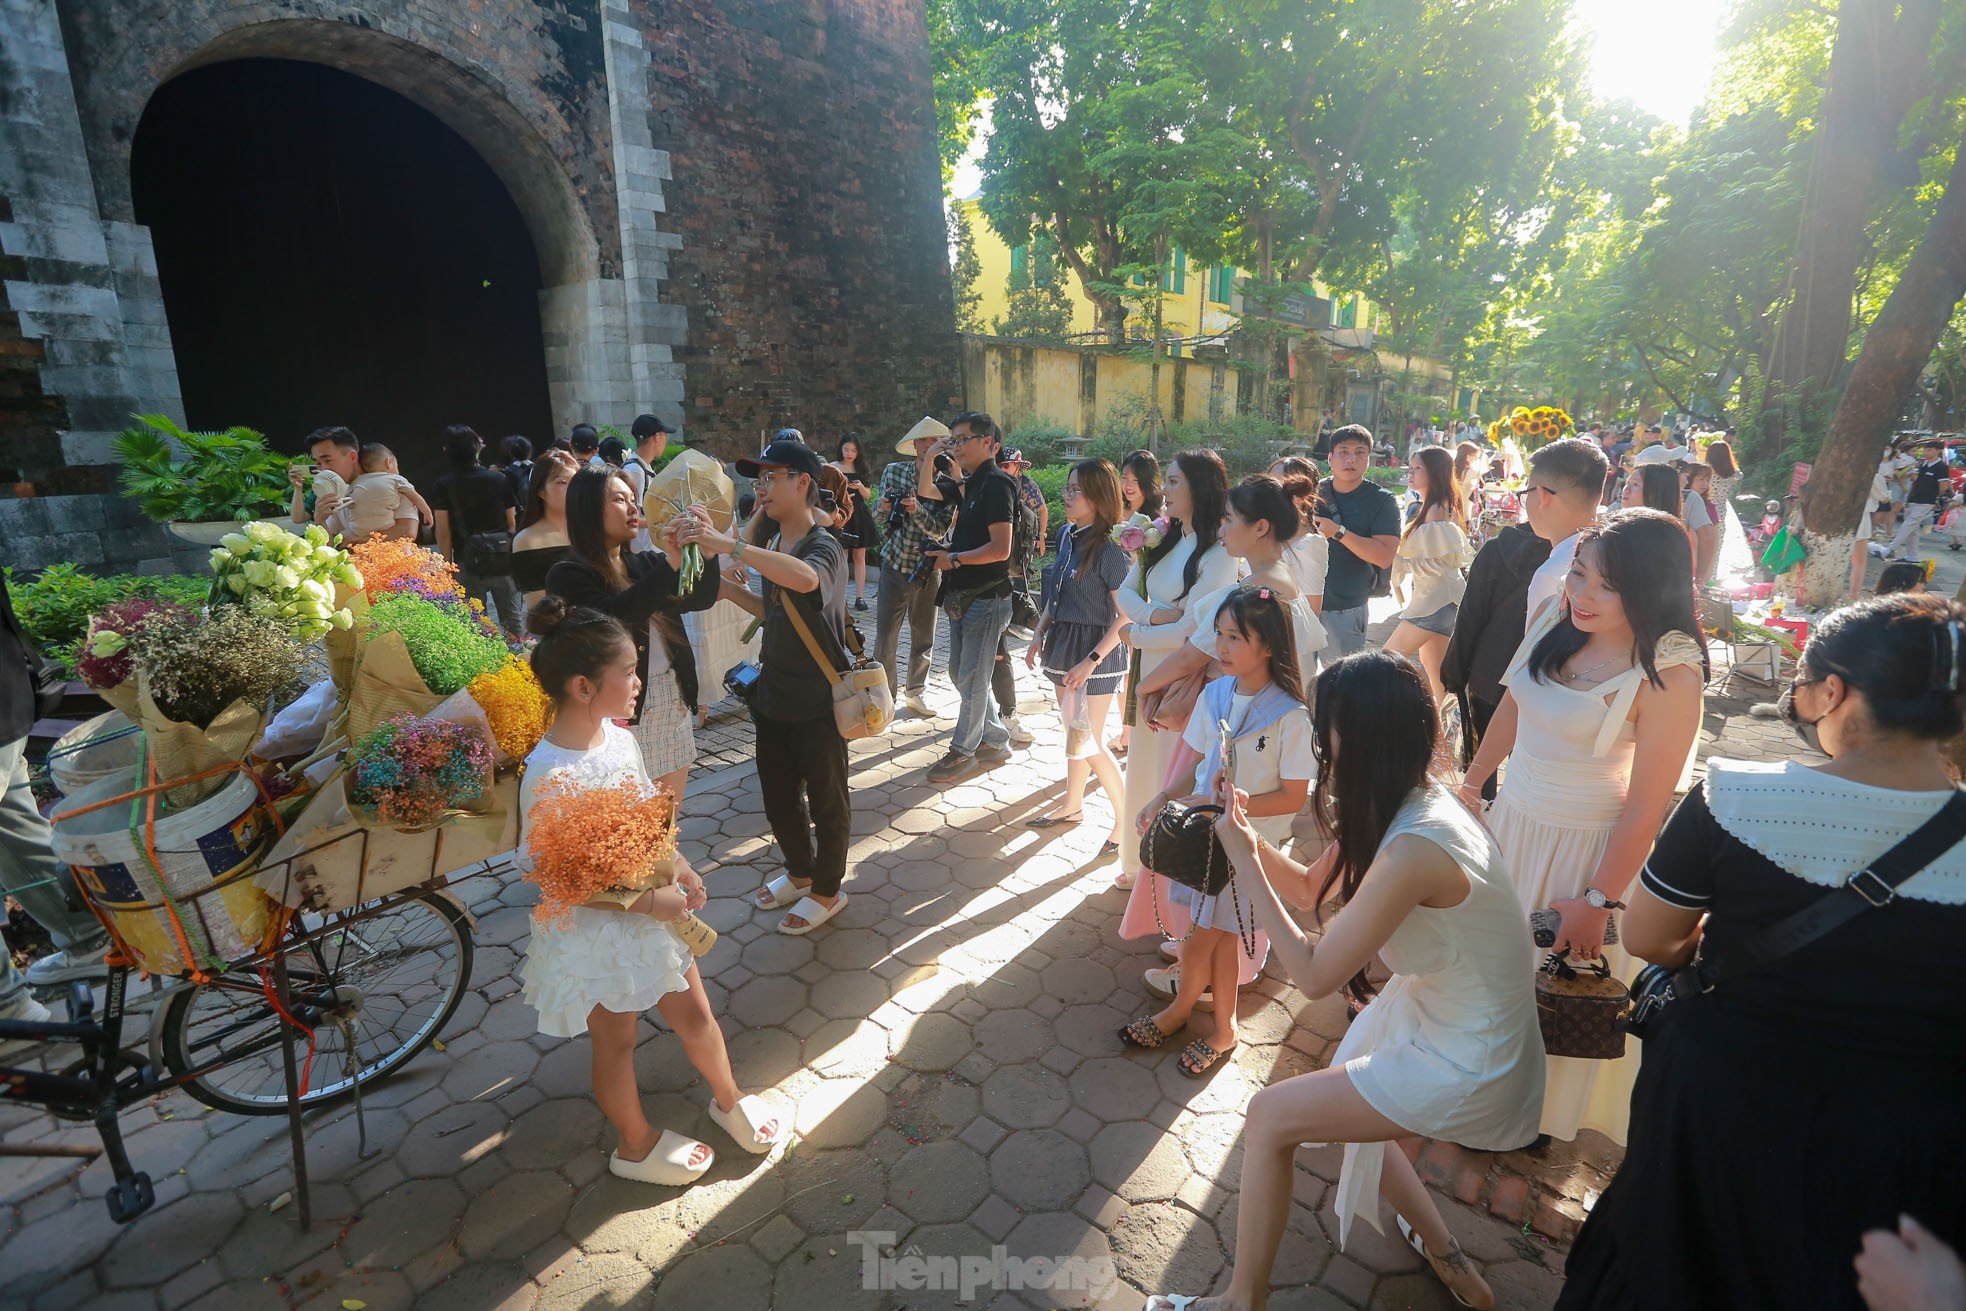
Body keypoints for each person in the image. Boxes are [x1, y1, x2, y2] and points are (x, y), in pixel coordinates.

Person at [1558, 592, 1966, 1311]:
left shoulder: (1735, 797)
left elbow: (1650, 937)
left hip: (1719, 1103)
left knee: (1667, 1270)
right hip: (1900, 1143)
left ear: (1832, 692)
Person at [1144, 651, 1544, 1311]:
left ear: (1354, 741)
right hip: (1445, 1013)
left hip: (1473, 1051)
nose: (1319, 742)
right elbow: (1306, 889)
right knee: (1353, 1111)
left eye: (1324, 729)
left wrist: (1240, 857)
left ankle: (1241, 1301)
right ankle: (1451, 1258)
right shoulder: (1413, 796)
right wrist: (1244, 831)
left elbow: (1310, 970)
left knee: (1271, 1116)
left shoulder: (1417, 842)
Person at [515, 598, 782, 1185]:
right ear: (584, 686)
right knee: (617, 1039)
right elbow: (554, 877)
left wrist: (680, 865)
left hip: (653, 910)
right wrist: (643, 902)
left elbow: (645, 816)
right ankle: (634, 1145)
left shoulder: (617, 738)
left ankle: (729, 1099)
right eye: (629, 673)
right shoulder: (549, 772)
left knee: (694, 1012)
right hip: (600, 929)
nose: (639, 683)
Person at [1460, 509, 1705, 1146]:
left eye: (1606, 584)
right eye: (1577, 574)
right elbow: (1513, 702)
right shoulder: (1553, 620)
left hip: (1587, 855)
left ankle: (1530, 1120)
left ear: (1651, 587)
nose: (1581, 594)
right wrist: (1472, 784)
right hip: (1510, 825)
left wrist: (1599, 900)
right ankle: (1473, 1089)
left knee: (1553, 990)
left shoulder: (1670, 673)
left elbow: (1646, 808)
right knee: (1488, 972)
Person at [1120, 588, 1314, 1078]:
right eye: (1221, 635)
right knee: (1217, 936)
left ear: (1269, 645)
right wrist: (1164, 797)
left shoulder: (1291, 714)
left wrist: (1236, 808)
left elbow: (1293, 796)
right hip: (1206, 839)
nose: (1222, 647)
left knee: (1202, 937)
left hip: (1250, 848)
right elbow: (1199, 763)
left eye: (1236, 637)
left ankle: (1182, 1011)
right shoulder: (1216, 693)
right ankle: (1222, 1028)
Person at [703, 437, 854, 936]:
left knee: (828, 800)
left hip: (817, 699)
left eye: (771, 477)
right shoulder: (772, 546)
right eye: (758, 478)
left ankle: (829, 890)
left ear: (802, 482)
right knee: (779, 798)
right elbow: (776, 612)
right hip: (773, 695)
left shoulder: (822, 545)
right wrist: (727, 587)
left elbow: (808, 581)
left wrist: (731, 545)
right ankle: (800, 871)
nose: (761, 487)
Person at [546, 467, 720, 801]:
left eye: (632, 499)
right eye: (618, 499)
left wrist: (707, 553)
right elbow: (616, 619)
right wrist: (670, 564)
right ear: (588, 509)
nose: (632, 508)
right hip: (621, 714)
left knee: (666, 826)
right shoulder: (568, 573)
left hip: (672, 702)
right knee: (629, 824)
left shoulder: (645, 564)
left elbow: (700, 597)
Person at [1115, 451, 1238, 890]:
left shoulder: (1219, 553)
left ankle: (1166, 876)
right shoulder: (1160, 538)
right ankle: (1137, 860)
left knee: (1171, 770)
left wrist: (1139, 631)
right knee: (1144, 765)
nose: (1163, 490)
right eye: (1166, 481)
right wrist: (1154, 619)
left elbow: (1198, 632)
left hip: (1181, 676)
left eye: (1173, 482)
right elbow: (1125, 594)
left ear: (1200, 488)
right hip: (1149, 664)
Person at [0, 575, 114, 1031]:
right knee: (15, 827)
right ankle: (90, 940)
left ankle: (8, 1007)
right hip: (5, 694)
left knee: (15, 824)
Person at [1024, 458, 1129, 852]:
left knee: (1091, 740)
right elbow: (1056, 595)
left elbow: (1126, 616)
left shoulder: (1111, 549)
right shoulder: (1068, 535)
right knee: (1073, 733)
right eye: (1067, 488)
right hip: (1064, 646)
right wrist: (1038, 632)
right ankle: (1072, 806)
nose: (1066, 496)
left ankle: (1126, 822)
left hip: (1096, 655)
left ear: (1099, 497)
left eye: (1075, 490)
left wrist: (1092, 661)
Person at [921, 412, 1019, 786]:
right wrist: (932, 456)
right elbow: (928, 492)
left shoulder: (996, 484)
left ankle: (963, 751)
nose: (957, 446)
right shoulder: (972, 484)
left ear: (989, 444)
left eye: (963, 439)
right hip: (964, 594)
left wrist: (954, 559)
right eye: (954, 439)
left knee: (974, 676)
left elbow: (1001, 549)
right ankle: (994, 741)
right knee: (961, 672)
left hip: (987, 596)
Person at [1441, 520, 1551, 802]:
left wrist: (1453, 673)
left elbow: (1469, 618)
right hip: (1544, 682)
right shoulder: (1582, 555)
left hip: (1490, 672)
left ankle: (1481, 823)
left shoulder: (1498, 550)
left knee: (1481, 765)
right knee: (1525, 768)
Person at [873, 418, 957, 718]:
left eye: (939, 440)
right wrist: (883, 509)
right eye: (927, 440)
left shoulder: (949, 482)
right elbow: (878, 522)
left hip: (927, 569)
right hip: (894, 563)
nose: (933, 444)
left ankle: (916, 692)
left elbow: (938, 531)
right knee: (885, 637)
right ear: (916, 445)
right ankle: (883, 696)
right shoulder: (893, 472)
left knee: (923, 636)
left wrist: (916, 509)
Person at [1386, 446, 1473, 702]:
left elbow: (1438, 563)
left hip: (1435, 602)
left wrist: (1402, 561)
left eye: (1417, 468)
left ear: (1434, 472)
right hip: (1438, 600)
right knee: (1440, 686)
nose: (1411, 473)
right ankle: (1445, 740)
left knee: (1384, 661)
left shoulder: (1436, 509)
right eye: (1410, 468)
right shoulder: (1433, 506)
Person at [1311, 426, 1402, 658]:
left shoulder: (1382, 501)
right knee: (1297, 685)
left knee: (1343, 684)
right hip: (1302, 606)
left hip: (1346, 608)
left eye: (1360, 452)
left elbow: (1383, 556)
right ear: (1330, 458)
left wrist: (1338, 532)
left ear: (1369, 459)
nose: (1351, 459)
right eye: (1343, 452)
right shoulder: (1311, 493)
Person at [430, 425, 523, 638]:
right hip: (502, 559)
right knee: (512, 618)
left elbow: (443, 532)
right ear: (477, 449)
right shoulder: (499, 479)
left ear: (447, 450)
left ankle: (486, 667)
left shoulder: (443, 485)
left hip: (468, 560)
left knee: (474, 621)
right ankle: (519, 661)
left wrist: (447, 566)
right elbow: (511, 524)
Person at [1521, 437, 1611, 630]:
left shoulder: (1552, 574)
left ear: (1542, 496)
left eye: (1526, 493)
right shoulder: (1614, 556)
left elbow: (1534, 654)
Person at [1112, 450, 1166, 757]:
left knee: (1135, 667)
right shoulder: (1114, 513)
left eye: (1135, 479)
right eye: (1124, 478)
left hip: (1141, 601)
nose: (1128, 485)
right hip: (1115, 597)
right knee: (1122, 667)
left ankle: (1131, 731)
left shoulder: (1156, 522)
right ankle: (1126, 731)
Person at [992, 447, 1046, 744]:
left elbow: (1039, 511)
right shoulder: (987, 487)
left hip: (1010, 576)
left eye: (1010, 465)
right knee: (976, 661)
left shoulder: (1025, 487)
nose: (1007, 468)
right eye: (1004, 464)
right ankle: (990, 714)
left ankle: (1005, 713)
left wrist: (1039, 537)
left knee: (999, 654)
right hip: (985, 583)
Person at [286, 426, 419, 544]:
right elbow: (331, 547)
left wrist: (358, 541)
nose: (323, 469)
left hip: (395, 567)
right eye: (319, 463)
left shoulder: (390, 483)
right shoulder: (327, 493)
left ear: (352, 457)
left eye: (328, 460)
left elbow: (407, 531)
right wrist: (320, 521)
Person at [511, 449, 580, 609]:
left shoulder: (591, 530)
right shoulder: (527, 540)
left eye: (575, 481)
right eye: (562, 482)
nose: (571, 489)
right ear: (541, 491)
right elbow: (538, 607)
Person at [1268, 455, 1327, 615]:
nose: (1272, 493)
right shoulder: (1266, 530)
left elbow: (1311, 611)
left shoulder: (1310, 544)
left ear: (1305, 492)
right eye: (1270, 484)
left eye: (1283, 487)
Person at [829, 433, 881, 613]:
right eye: (846, 449)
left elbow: (868, 495)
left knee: (860, 557)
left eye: (853, 450)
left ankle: (860, 597)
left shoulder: (861, 468)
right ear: (840, 449)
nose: (849, 453)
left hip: (859, 514)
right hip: (841, 514)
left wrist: (859, 487)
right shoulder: (833, 467)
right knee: (841, 557)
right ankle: (840, 597)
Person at [1887, 440, 1948, 562]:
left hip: (1926, 501)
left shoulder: (1941, 467)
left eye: (1929, 450)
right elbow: (1914, 481)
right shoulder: (1922, 464)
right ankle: (1912, 556)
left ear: (1938, 451)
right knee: (1913, 530)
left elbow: (1943, 487)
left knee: (1909, 524)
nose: (1926, 452)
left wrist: (1934, 498)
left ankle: (1889, 549)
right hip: (1913, 498)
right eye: (1925, 450)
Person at [499, 435, 535, 514]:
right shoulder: (539, 468)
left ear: (510, 452)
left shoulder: (505, 473)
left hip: (518, 516)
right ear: (530, 450)